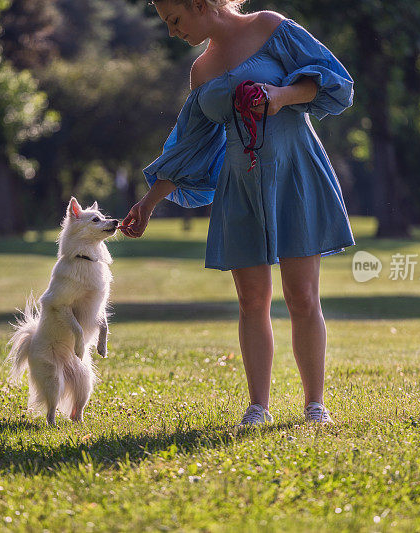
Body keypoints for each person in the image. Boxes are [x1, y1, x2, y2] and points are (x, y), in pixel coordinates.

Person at [120, 0, 355, 426]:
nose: (173, 32)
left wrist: (281, 96)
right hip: (240, 185)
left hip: (294, 173)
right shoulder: (201, 70)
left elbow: (336, 82)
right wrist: (149, 202)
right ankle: (258, 407)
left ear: (198, 4)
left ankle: (314, 405)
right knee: (251, 300)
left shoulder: (270, 27)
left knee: (302, 296)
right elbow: (189, 145)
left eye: (175, 21)